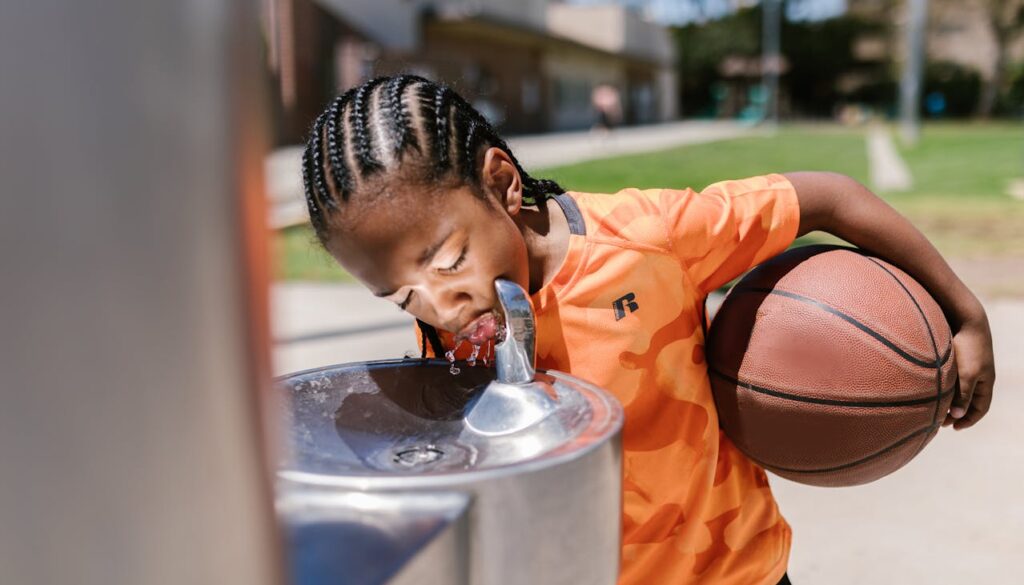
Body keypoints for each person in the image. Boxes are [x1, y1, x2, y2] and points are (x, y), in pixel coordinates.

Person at [299, 75, 996, 584]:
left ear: (503, 183)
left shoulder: (651, 238)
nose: (440, 309)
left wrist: (965, 314)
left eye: (450, 261)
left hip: (737, 571)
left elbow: (832, 197)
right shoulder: (450, 324)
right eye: (401, 298)